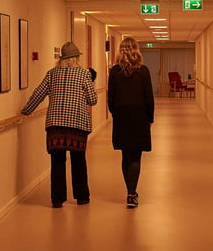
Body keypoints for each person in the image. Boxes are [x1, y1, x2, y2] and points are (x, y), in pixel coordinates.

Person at [20, 42, 98, 208]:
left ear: (62, 59)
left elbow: (38, 94)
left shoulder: (52, 74)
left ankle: (57, 199)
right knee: (78, 161)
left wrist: (26, 111)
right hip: (77, 124)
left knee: (57, 162)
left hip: (55, 124)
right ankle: (82, 197)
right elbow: (93, 99)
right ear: (76, 58)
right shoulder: (84, 74)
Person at [107, 37, 154, 208]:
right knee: (135, 156)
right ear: (136, 50)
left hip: (121, 116)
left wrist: (115, 113)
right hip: (139, 116)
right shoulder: (143, 71)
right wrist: (150, 118)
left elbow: (110, 98)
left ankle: (130, 192)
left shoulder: (114, 71)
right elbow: (149, 97)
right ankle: (131, 194)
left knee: (125, 155)